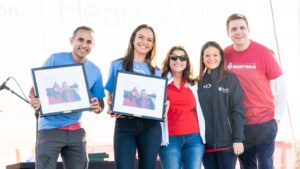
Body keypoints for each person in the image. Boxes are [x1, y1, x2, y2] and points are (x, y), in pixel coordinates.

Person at [29, 26, 105, 169]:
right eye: (80, 39)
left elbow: (100, 101)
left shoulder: (95, 71)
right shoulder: (55, 59)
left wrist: (97, 106)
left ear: (93, 45)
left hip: (76, 131)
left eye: (89, 42)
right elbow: (34, 89)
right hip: (49, 129)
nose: (84, 45)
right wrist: (34, 99)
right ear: (72, 41)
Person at [224, 13, 287, 169]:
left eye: (242, 28)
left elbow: (281, 88)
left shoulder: (264, 53)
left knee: (266, 165)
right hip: (240, 125)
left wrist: (277, 119)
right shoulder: (224, 55)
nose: (238, 32)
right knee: (247, 166)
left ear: (248, 29)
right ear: (228, 33)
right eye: (234, 29)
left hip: (265, 122)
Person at [105, 24, 162, 169]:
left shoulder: (156, 71)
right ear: (133, 40)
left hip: (150, 126)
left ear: (153, 45)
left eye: (149, 39)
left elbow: (158, 100)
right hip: (125, 125)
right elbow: (110, 95)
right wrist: (111, 106)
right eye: (141, 37)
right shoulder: (117, 64)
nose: (144, 42)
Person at [197, 41, 246, 169]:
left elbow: (238, 110)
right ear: (202, 58)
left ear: (221, 57)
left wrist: (238, 139)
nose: (211, 58)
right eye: (207, 55)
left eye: (215, 55)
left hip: (227, 144)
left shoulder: (230, 79)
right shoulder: (198, 82)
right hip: (206, 145)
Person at [159, 46, 206, 169]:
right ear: (168, 60)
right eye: (174, 57)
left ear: (187, 61)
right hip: (169, 140)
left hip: (194, 139)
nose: (178, 61)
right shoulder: (160, 83)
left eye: (182, 58)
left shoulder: (194, 84)